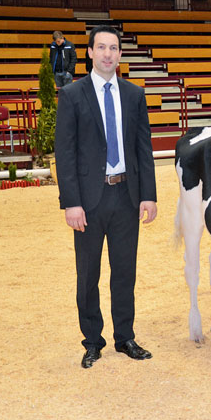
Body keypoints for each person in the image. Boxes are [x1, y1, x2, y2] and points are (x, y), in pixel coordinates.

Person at [55, 25, 158, 369]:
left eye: (114, 48)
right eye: (101, 47)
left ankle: (124, 336)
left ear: (120, 54)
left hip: (127, 196)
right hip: (88, 200)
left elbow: (144, 149)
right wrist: (71, 202)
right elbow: (64, 153)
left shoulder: (134, 94)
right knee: (88, 274)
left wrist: (148, 195)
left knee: (124, 271)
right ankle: (92, 340)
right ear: (89, 52)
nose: (108, 54)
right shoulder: (72, 95)